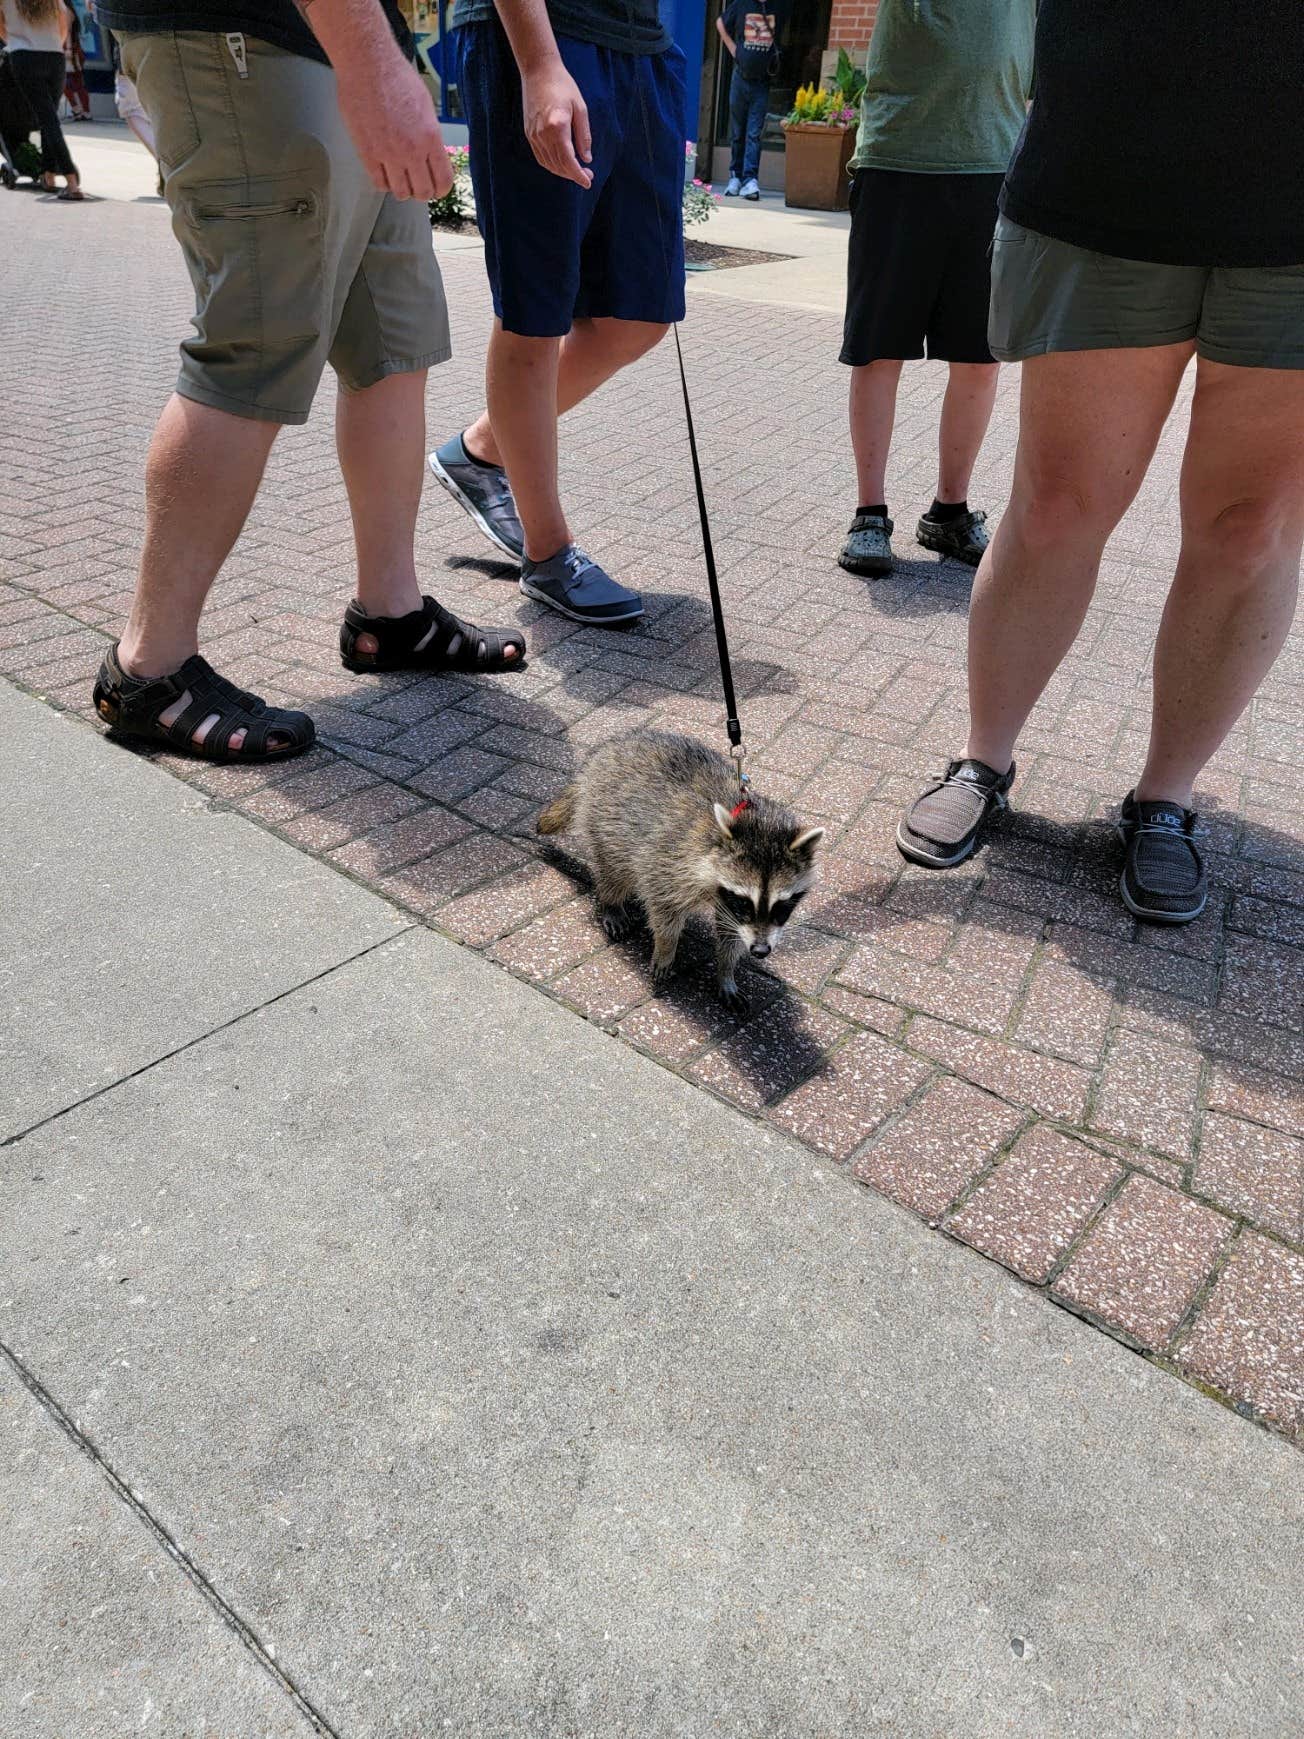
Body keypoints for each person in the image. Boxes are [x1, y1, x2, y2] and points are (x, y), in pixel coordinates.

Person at [896, 0, 1304, 926]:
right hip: (1103, 176)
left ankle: (1166, 796)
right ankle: (984, 757)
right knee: (1054, 509)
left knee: (1253, 532)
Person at [88, 0, 526, 765]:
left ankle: (389, 614)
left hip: (349, 42)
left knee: (393, 341)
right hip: (243, 34)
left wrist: (378, 57)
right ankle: (146, 669)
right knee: (253, 346)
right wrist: (372, 67)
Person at [427, 0, 688, 629]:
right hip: (548, 36)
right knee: (534, 309)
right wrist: (539, 63)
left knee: (641, 315)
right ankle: (548, 554)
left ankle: (483, 448)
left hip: (642, 47)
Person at [837, 0, 1033, 579]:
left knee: (980, 358)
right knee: (878, 349)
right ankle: (869, 513)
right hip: (898, 164)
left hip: (992, 172)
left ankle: (949, 512)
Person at [0, 0, 84, 197]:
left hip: (23, 56)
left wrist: (13, 40)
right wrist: (55, 42)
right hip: (54, 57)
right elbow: (66, 20)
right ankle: (49, 174)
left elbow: (1, 27)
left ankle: (71, 182)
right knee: (50, 118)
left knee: (47, 119)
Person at [715, 0, 778, 201]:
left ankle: (750, 179)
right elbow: (720, 23)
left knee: (754, 133)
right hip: (740, 77)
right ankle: (735, 176)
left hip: (762, 81)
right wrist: (734, 49)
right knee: (738, 131)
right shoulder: (742, 3)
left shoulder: (778, 6)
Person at [62, 0, 91, 118]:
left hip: (71, 51)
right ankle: (83, 111)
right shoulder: (68, 10)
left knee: (68, 83)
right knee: (77, 83)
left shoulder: (66, 11)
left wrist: (68, 49)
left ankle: (79, 109)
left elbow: (67, 31)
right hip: (72, 50)